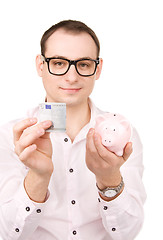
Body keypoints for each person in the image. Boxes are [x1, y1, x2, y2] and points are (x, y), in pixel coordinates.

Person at [0, 20, 146, 240]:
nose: (71, 77)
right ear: (41, 65)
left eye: (84, 64)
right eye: (59, 63)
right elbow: (8, 233)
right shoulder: (11, 135)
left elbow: (127, 233)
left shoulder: (122, 135)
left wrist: (110, 180)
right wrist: (38, 176)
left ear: (97, 69)